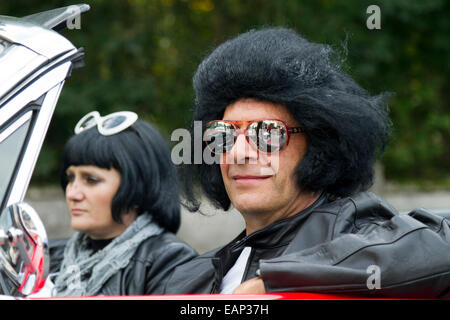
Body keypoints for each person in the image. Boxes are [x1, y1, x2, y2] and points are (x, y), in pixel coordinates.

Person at [164, 27, 450, 298]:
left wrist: (276, 282)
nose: (239, 152)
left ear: (317, 145)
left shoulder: (359, 230)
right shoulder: (189, 280)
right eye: (223, 135)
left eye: (267, 132)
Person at [49, 110, 197, 296]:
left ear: (138, 186)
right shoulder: (50, 258)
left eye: (91, 180)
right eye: (71, 178)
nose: (73, 193)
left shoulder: (170, 263)